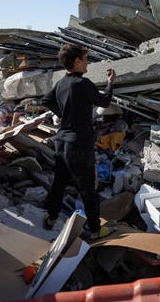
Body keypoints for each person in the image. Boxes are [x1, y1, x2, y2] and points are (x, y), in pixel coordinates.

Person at [40, 44, 116, 240]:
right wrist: (110, 82)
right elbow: (105, 101)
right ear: (77, 61)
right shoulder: (83, 83)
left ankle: (50, 218)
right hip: (79, 144)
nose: (87, 62)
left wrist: (64, 116)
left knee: (59, 184)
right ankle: (96, 230)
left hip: (62, 141)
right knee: (88, 189)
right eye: (85, 59)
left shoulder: (62, 83)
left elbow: (46, 100)